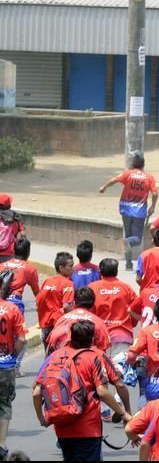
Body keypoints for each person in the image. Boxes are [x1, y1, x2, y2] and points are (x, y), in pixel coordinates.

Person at [34, 320, 133, 462]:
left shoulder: (55, 356)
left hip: (62, 428)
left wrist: (42, 419)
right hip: (89, 429)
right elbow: (106, 390)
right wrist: (124, 413)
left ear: (70, 337)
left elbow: (36, 392)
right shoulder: (96, 356)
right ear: (92, 338)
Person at [98, 153, 158, 271]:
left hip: (125, 208)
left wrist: (104, 187)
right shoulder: (149, 177)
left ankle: (129, 263)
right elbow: (155, 193)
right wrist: (153, 207)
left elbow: (114, 180)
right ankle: (128, 247)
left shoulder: (128, 174)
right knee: (136, 239)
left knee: (129, 236)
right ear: (143, 165)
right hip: (139, 211)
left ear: (133, 164)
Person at [88, 257, 137, 357]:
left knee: (100, 371)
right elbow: (136, 310)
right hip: (122, 337)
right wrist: (131, 324)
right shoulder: (127, 288)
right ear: (116, 271)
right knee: (120, 370)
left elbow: (87, 312)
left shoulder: (92, 288)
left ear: (100, 272)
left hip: (98, 338)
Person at [0, 270, 25, 460]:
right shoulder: (13, 309)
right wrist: (12, 355)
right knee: (4, 405)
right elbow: (22, 340)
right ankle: (1, 445)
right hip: (6, 365)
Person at [44, 287, 112, 354]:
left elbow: (51, 343)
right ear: (93, 304)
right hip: (87, 361)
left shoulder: (62, 319)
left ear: (74, 303)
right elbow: (103, 349)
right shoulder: (98, 322)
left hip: (60, 360)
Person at [36, 251, 75, 349]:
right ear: (61, 268)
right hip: (59, 327)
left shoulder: (47, 281)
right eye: (70, 266)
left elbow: (38, 302)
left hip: (45, 328)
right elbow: (66, 306)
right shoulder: (67, 283)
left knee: (49, 358)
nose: (73, 268)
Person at [1, 237, 40, 318]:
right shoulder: (29, 269)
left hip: (1, 300)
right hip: (14, 304)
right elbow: (36, 292)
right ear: (28, 252)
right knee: (18, 330)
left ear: (14, 250)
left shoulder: (2, 265)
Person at [0, 195, 25, 264]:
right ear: (9, 205)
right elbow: (23, 234)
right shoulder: (15, 217)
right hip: (9, 253)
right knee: (7, 274)